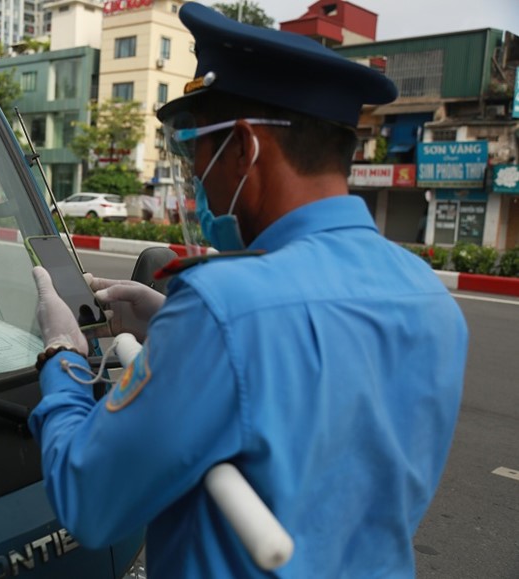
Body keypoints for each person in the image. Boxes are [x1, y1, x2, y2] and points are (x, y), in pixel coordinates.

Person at [28, 3, 468, 577]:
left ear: (243, 148)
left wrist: (62, 355)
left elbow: (90, 500)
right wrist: (168, 326)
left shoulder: (225, 309)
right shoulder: (428, 297)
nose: (199, 182)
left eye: (196, 153)